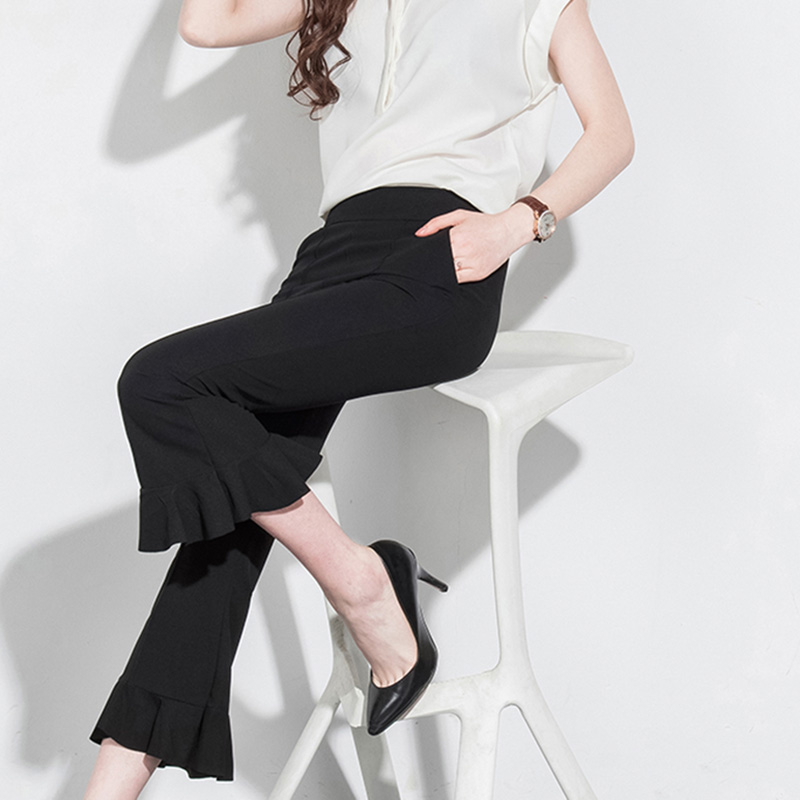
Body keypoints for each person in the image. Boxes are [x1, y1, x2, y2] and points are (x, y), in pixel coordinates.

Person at [83, 0, 634, 796]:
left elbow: (612, 134)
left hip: (441, 262)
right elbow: (203, 24)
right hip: (325, 263)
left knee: (160, 380)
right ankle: (360, 583)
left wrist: (518, 223)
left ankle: (366, 588)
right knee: (221, 538)